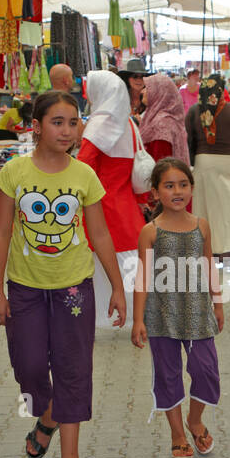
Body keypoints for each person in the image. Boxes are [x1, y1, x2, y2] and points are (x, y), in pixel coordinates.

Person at [0, 91, 127, 458]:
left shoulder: (84, 176)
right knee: (29, 367)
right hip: (25, 289)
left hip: (74, 289)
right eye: (57, 122)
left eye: (73, 122)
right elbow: (1, 232)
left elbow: (99, 233)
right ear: (37, 126)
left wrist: (118, 287)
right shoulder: (13, 173)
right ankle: (46, 415)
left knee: (73, 369)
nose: (67, 130)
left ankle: (70, 456)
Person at [132, 158, 224, 458]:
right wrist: (137, 320)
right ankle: (177, 434)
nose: (177, 191)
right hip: (161, 318)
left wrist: (218, 303)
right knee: (168, 375)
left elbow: (211, 266)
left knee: (206, 370)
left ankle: (194, 420)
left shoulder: (202, 226)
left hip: (198, 313)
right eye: (169, 186)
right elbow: (142, 278)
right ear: (156, 192)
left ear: (192, 188)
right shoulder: (150, 231)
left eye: (183, 184)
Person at [77, 70, 148, 330]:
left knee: (102, 260)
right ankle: (137, 315)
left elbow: (84, 164)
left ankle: (108, 316)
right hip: (125, 202)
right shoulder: (127, 122)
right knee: (131, 259)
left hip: (101, 205)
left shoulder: (100, 123)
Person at [187, 76, 230, 273]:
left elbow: (190, 141)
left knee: (203, 212)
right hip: (229, 163)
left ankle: (205, 257)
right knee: (229, 213)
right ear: (221, 90)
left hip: (203, 163)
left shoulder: (194, 111)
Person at [139, 73, 189, 164]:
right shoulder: (167, 120)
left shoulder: (161, 125)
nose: (142, 91)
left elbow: (161, 165)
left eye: (147, 88)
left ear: (159, 93)